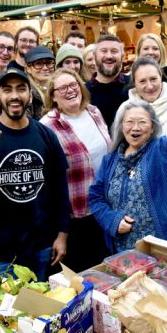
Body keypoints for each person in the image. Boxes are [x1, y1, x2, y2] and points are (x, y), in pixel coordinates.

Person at [0, 68, 70, 280]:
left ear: (30, 95)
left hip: (41, 246)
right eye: (7, 90)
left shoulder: (45, 134)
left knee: (40, 307)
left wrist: (62, 234)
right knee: (3, 311)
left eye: (21, 89)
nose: (14, 95)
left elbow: (60, 188)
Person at [89, 66, 167, 252]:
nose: (135, 128)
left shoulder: (162, 150)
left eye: (142, 122)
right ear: (121, 127)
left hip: (162, 246)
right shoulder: (110, 161)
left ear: (152, 128)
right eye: (129, 122)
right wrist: (112, 220)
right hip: (123, 250)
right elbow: (96, 198)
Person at [40, 69, 111, 270]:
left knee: (103, 274)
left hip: (102, 210)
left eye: (73, 85)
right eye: (62, 88)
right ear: (53, 95)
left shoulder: (94, 112)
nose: (70, 91)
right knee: (79, 277)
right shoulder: (47, 126)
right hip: (74, 219)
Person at [114, 57, 167, 196]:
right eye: (142, 81)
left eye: (153, 79)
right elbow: (120, 156)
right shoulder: (125, 112)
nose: (149, 86)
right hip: (138, 197)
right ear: (134, 83)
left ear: (161, 78)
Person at [86, 34, 130, 127]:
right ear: (94, 55)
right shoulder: (83, 91)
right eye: (104, 51)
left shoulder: (133, 86)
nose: (109, 56)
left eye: (114, 51)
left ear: (122, 56)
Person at [24, 46, 55, 119]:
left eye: (49, 63)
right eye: (38, 63)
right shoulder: (27, 93)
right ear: (28, 69)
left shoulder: (60, 88)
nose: (45, 68)